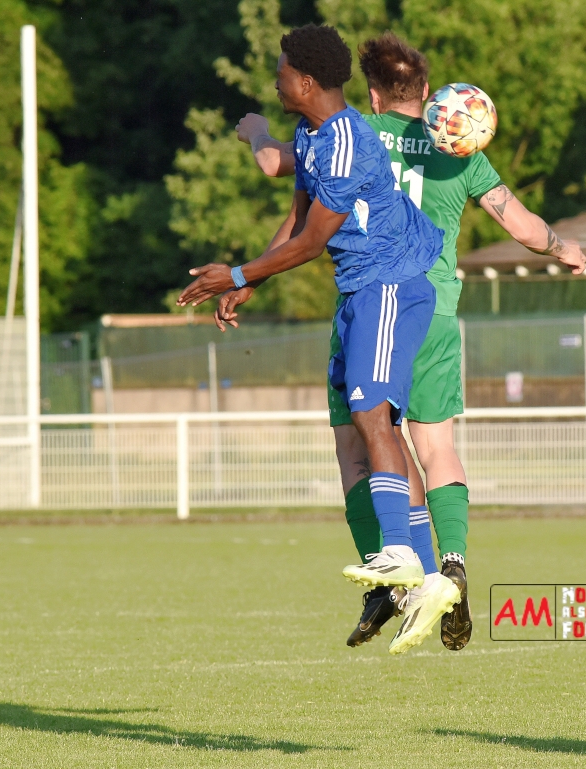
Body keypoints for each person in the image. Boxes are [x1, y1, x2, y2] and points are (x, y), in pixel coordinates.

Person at [227, 32, 586, 649]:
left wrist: (255, 131)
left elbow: (278, 165)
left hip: (374, 302)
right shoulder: (459, 147)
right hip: (435, 309)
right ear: (426, 92)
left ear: (372, 94)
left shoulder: (357, 133)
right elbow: (524, 227)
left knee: (361, 444)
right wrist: (564, 249)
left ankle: (390, 574)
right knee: (435, 445)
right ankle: (452, 566)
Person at [178, 25, 458, 655]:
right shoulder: (312, 135)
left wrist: (239, 273)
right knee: (373, 423)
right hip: (362, 290)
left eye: (280, 71)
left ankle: (400, 553)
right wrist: (251, 281)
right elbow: (298, 220)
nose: (275, 81)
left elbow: (311, 243)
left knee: (371, 413)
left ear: (305, 81)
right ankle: (427, 581)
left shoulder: (348, 141)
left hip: (391, 284)